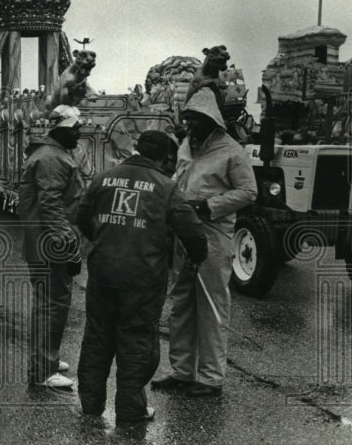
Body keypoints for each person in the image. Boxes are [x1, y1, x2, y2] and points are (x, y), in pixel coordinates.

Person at [75, 130, 208, 423]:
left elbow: (82, 214)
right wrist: (197, 257)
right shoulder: (166, 187)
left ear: (138, 149)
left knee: (97, 337)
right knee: (136, 341)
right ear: (164, 157)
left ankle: (90, 405)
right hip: (142, 278)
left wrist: (103, 239)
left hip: (102, 272)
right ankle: (131, 410)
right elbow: (192, 231)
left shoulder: (103, 178)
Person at [152, 88, 257, 397]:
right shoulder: (187, 145)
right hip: (184, 234)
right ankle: (182, 371)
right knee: (181, 303)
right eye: (187, 119)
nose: (189, 126)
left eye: (195, 120)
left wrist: (209, 206)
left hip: (213, 235)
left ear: (211, 120)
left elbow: (249, 192)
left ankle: (211, 377)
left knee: (211, 305)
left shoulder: (231, 151)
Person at [19, 104, 85, 389]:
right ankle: (43, 369)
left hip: (43, 242)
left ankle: (46, 358)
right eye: (76, 128)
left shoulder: (50, 154)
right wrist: (69, 247)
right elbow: (52, 207)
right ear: (61, 129)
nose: (79, 133)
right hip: (51, 245)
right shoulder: (52, 159)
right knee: (52, 305)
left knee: (49, 304)